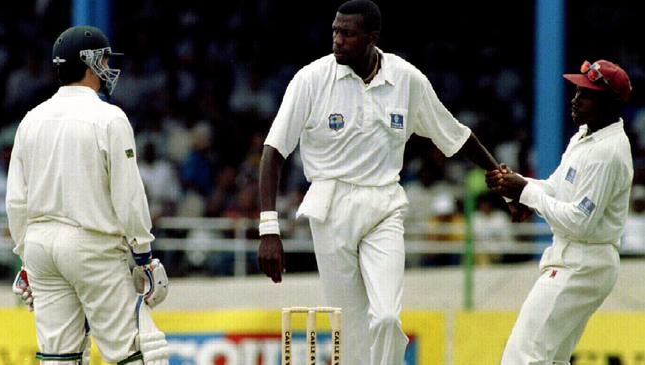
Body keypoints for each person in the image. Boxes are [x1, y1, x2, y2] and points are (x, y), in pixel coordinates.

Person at [257, 1, 499, 363]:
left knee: (386, 317)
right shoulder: (311, 79)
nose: (337, 40)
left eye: (348, 33)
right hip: (330, 207)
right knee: (351, 328)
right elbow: (273, 152)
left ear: (372, 38)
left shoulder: (406, 79)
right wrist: (268, 229)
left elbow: (454, 134)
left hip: (385, 206)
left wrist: (498, 173)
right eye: (335, 31)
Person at [6, 25, 170, 365]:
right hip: (89, 246)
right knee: (137, 350)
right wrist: (143, 254)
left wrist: (25, 260)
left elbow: (16, 201)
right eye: (105, 59)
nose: (109, 67)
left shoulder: (30, 120)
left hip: (39, 248)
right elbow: (128, 195)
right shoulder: (109, 117)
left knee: (58, 357)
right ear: (90, 62)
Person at [486, 59, 633, 365]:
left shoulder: (607, 152)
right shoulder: (584, 136)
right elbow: (554, 188)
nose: (575, 99)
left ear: (611, 103)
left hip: (583, 259)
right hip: (578, 258)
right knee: (551, 359)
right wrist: (516, 185)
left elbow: (579, 222)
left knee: (522, 357)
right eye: (577, 91)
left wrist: (524, 192)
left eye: (586, 94)